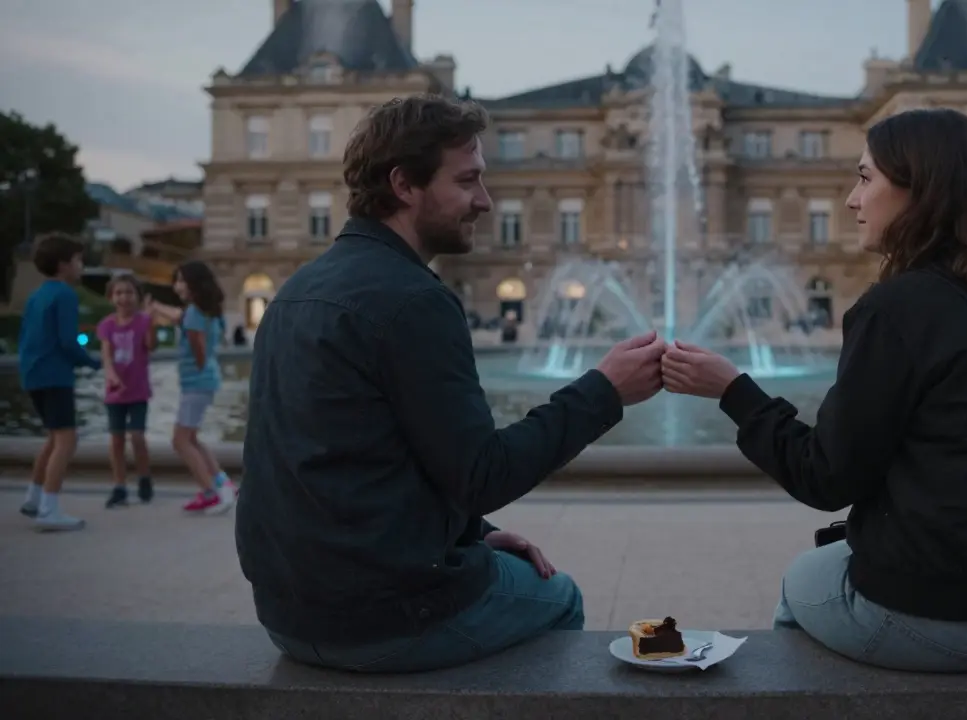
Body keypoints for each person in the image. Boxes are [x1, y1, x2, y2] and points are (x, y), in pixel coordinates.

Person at [236, 94, 665, 673]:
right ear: (405, 185)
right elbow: (484, 474)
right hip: (384, 617)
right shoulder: (414, 301)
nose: (485, 202)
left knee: (505, 573)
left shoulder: (296, 291)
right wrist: (605, 390)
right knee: (559, 597)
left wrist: (469, 536)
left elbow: (338, 460)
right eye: (468, 182)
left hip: (288, 614)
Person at [662, 108, 967, 673]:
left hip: (945, 620)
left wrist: (733, 391)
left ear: (919, 190)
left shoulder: (898, 309)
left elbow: (825, 477)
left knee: (803, 581)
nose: (850, 200)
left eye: (865, 178)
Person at [17, 232, 101, 531]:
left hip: (34, 374)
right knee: (67, 439)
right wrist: (92, 361)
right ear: (64, 265)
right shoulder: (65, 294)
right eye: (78, 260)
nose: (81, 266)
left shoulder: (37, 294)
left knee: (54, 437)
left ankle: (34, 497)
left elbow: (28, 337)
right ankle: (49, 509)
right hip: (55, 375)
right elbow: (68, 341)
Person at [147, 261, 236, 514]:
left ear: (195, 284)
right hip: (204, 381)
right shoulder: (206, 311)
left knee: (180, 441)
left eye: (181, 281)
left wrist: (197, 364)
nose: (177, 285)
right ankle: (221, 481)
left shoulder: (195, 312)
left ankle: (210, 493)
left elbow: (197, 343)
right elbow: (178, 316)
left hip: (196, 382)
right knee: (192, 438)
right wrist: (155, 308)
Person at [96, 273, 155, 508]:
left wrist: (150, 322)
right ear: (112, 297)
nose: (124, 297)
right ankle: (119, 485)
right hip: (115, 392)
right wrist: (111, 376)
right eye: (119, 293)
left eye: (129, 292)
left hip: (138, 390)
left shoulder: (142, 321)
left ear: (137, 297)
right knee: (116, 439)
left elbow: (150, 346)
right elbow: (106, 356)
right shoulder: (107, 325)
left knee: (137, 436)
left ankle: (144, 476)